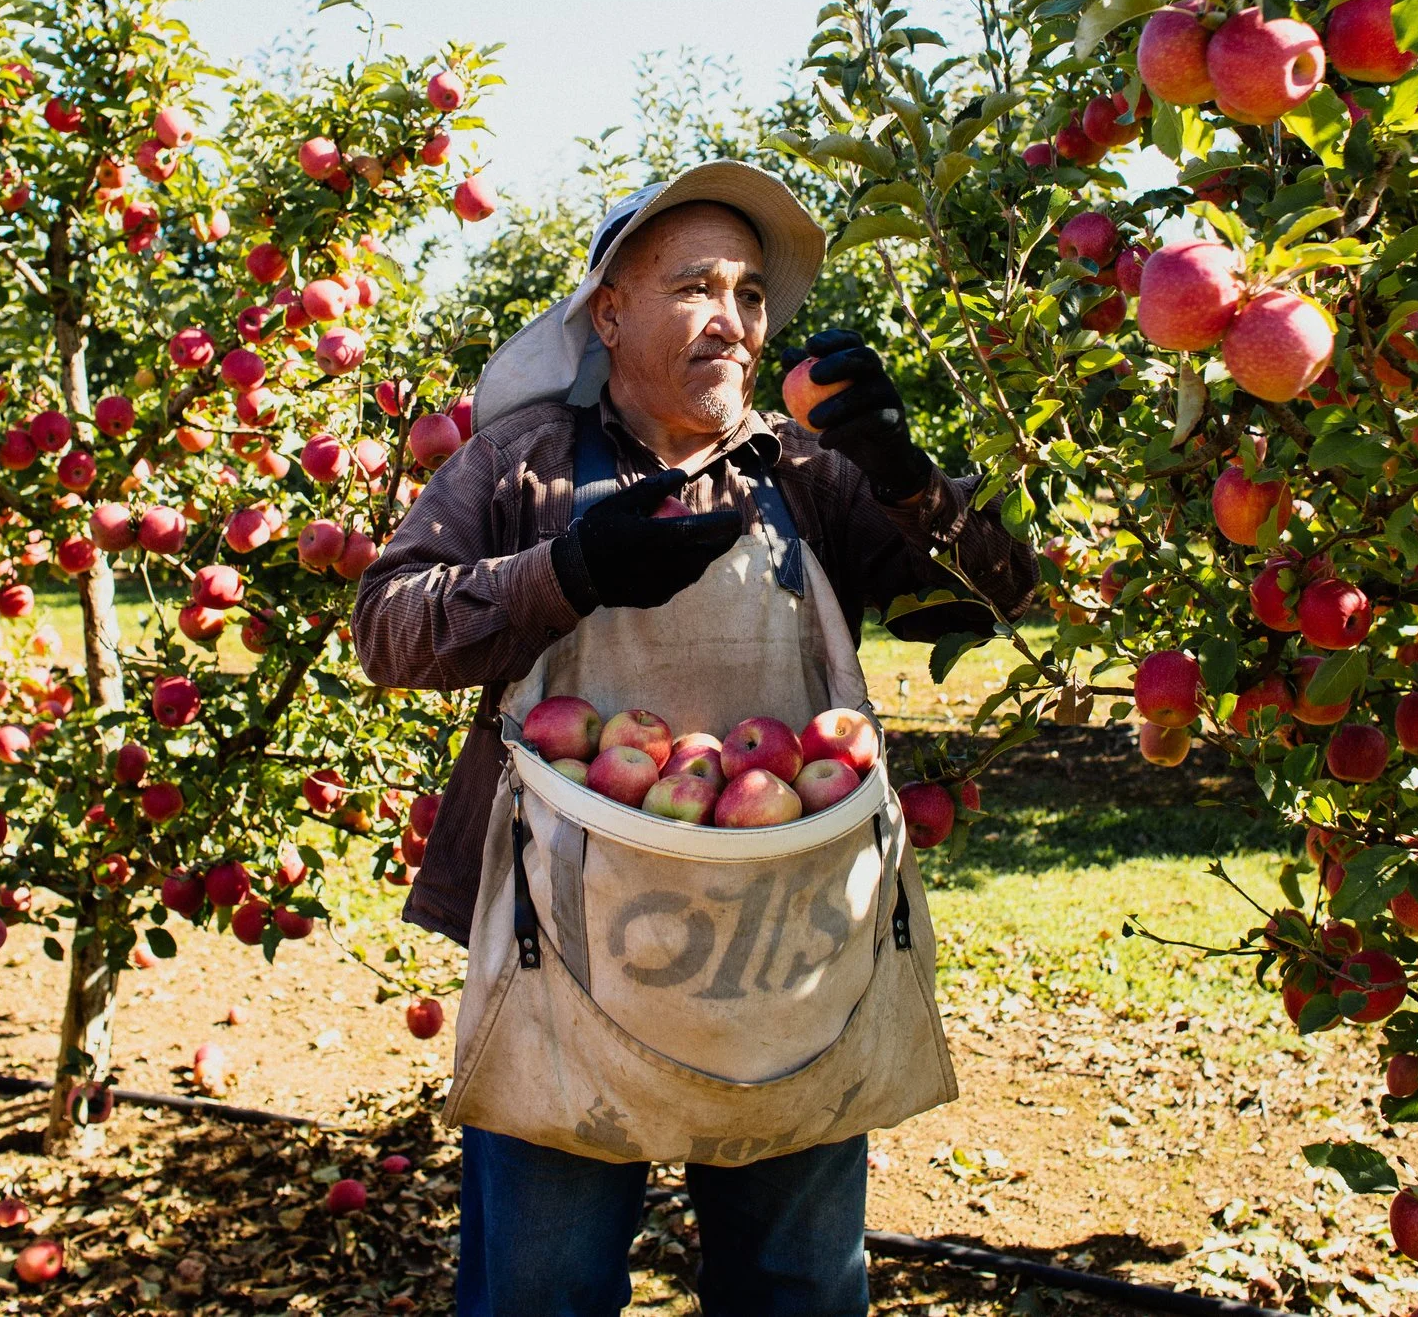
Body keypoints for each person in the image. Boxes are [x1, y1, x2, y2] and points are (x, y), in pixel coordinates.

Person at [355, 161, 1036, 1316]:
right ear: (607, 311)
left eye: (751, 293)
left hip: (786, 933)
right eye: (695, 287)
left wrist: (908, 477)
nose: (734, 320)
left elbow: (993, 596)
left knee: (797, 1285)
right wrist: (563, 566)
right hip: (567, 938)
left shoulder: (808, 469)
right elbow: (388, 629)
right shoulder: (520, 464)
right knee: (542, 1290)